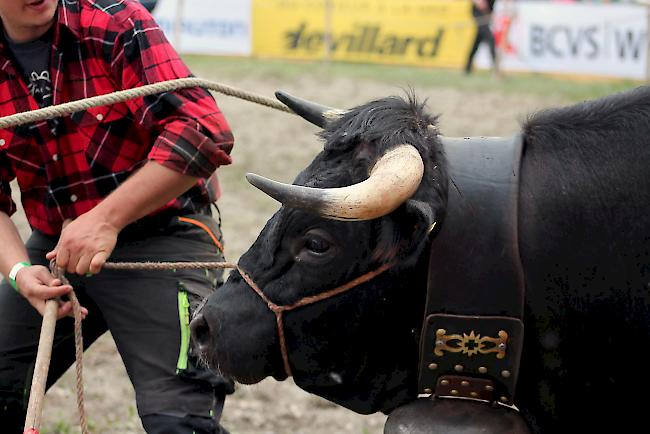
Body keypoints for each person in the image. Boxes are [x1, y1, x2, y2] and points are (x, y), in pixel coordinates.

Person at [0, 0, 235, 433]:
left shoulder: (114, 20)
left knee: (178, 423)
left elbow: (204, 131)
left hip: (165, 232)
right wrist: (18, 271)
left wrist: (105, 220)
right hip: (56, 248)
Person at [464, 0, 499, 75]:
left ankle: (467, 67)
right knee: (490, 39)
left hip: (487, 12)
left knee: (477, 41)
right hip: (478, 11)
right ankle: (496, 69)